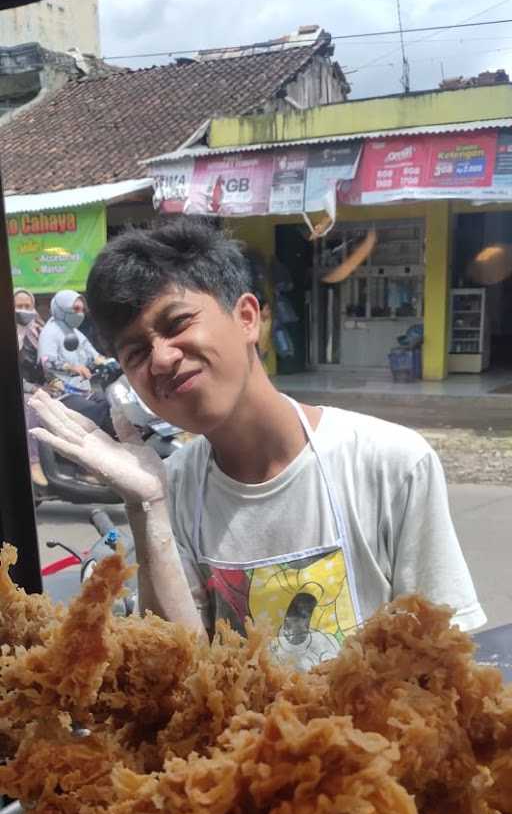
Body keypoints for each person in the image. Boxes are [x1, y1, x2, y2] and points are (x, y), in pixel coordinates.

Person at [30, 218, 485, 668]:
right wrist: (146, 504)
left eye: (177, 323)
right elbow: (183, 675)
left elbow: (443, 664)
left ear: (247, 318)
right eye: (136, 353)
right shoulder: (176, 485)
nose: (162, 358)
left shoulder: (391, 463)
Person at [38, 289, 114, 436]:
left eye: (82, 310)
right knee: (98, 411)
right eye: (75, 309)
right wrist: (73, 368)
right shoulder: (50, 332)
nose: (80, 314)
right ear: (61, 308)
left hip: (85, 391)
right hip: (62, 394)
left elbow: (94, 355)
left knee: (114, 404)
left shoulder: (75, 332)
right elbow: (46, 361)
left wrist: (111, 362)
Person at [14, 288, 54, 488]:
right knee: (29, 407)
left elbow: (49, 361)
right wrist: (32, 388)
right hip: (20, 390)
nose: (23, 310)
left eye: (27, 306)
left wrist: (53, 381)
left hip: (40, 387)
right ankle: (33, 462)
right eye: (19, 307)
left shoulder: (40, 330)